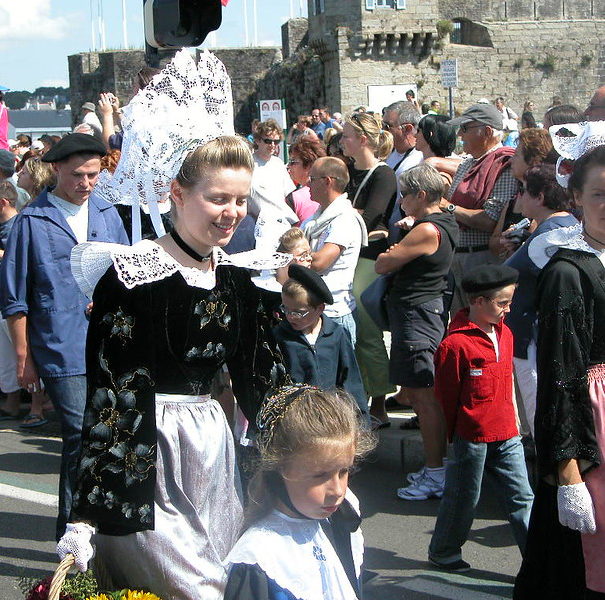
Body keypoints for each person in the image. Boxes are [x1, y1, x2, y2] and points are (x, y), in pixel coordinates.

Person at [56, 136, 290, 599]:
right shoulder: (133, 276)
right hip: (149, 454)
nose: (232, 212)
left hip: (212, 451)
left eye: (241, 200)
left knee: (229, 577)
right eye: (218, 198)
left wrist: (313, 454)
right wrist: (87, 511)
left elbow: (263, 381)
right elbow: (112, 393)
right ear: (177, 194)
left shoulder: (235, 277)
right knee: (195, 587)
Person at [0, 133, 128, 540]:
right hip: (58, 344)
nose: (86, 183)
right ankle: (70, 537)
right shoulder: (30, 222)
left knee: (106, 436)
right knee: (79, 433)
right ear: (56, 169)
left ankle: (97, 535)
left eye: (93, 174)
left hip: (109, 341)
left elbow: (127, 274)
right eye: (77, 175)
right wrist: (23, 357)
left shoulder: (108, 214)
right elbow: (14, 297)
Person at [515, 146, 605, 600]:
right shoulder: (568, 272)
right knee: (578, 565)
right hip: (593, 427)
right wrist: (568, 474)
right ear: (576, 198)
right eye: (599, 194)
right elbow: (560, 376)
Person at [224, 384, 375, 600]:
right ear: (281, 469)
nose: (338, 490)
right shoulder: (262, 557)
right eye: (319, 475)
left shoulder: (338, 522)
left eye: (344, 471)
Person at [429, 264, 534, 572]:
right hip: (471, 436)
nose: (508, 309)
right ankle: (444, 551)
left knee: (522, 497)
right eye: (502, 303)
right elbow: (446, 397)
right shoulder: (455, 345)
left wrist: (515, 423)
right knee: (463, 497)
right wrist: (456, 435)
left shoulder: (507, 333)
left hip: (507, 432)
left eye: (510, 301)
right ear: (478, 302)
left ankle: (538, 560)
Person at [375, 164, 458, 499]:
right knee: (424, 394)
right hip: (421, 313)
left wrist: (397, 245)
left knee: (424, 398)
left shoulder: (426, 231)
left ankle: (437, 473)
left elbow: (383, 263)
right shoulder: (443, 220)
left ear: (421, 195)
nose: (401, 202)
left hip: (417, 317)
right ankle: (437, 468)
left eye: (405, 195)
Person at [504, 164, 577, 437]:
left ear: (541, 196)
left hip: (535, 337)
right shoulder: (557, 227)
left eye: (523, 191)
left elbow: (506, 274)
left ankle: (549, 477)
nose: (518, 197)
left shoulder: (553, 232)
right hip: (534, 335)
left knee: (542, 421)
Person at [341, 111, 397, 428]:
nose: (342, 141)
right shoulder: (350, 171)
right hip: (349, 256)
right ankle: (358, 396)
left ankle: (379, 402)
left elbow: (371, 216)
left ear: (362, 139)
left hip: (368, 260)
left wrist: (346, 211)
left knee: (366, 329)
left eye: (347, 135)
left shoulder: (383, 175)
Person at [445, 103, 518, 312]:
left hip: (482, 259)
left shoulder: (505, 163)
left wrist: (448, 208)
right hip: (458, 258)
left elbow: (490, 220)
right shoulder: (468, 163)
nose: (460, 134)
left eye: (465, 129)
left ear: (486, 131)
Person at [274, 264, 367, 417]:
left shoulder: (337, 335)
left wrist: (361, 422)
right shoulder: (280, 336)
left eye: (299, 312)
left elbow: (351, 381)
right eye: (285, 309)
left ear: (319, 309)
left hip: (329, 415)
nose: (290, 316)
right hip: (295, 418)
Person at [303, 156, 367, 346]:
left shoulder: (344, 219)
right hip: (315, 311)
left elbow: (319, 262)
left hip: (334, 315)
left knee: (336, 376)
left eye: (312, 178)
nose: (307, 183)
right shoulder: (316, 219)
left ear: (327, 181)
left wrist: (294, 255)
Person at [489, 127, 555, 258]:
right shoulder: (514, 199)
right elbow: (493, 243)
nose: (511, 160)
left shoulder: (549, 202)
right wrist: (505, 239)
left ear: (534, 161)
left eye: (517, 155)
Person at [249, 119, 297, 250]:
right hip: (256, 225)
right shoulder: (248, 163)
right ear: (258, 140)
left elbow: (288, 195)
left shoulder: (278, 163)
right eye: (267, 141)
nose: (272, 145)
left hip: (281, 223)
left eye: (276, 142)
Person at [285, 136, 326, 225]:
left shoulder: (294, 198)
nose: (288, 166)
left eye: (292, 161)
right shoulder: (331, 190)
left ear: (309, 165)